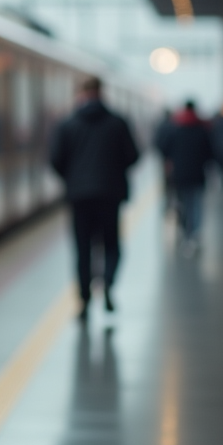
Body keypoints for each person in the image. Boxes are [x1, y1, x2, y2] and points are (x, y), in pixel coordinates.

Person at [49, 76, 140, 321]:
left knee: (83, 248)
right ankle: (108, 282)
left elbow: (55, 160)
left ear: (81, 93)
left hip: (79, 196)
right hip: (110, 195)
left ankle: (84, 301)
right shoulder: (118, 123)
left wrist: (74, 178)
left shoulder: (67, 124)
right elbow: (133, 156)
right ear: (101, 92)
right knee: (111, 244)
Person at [159, 100, 215, 254]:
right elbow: (211, 153)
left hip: (180, 174)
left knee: (182, 204)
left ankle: (186, 233)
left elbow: (163, 149)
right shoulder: (202, 130)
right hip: (198, 173)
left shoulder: (175, 129)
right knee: (196, 205)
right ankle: (195, 235)